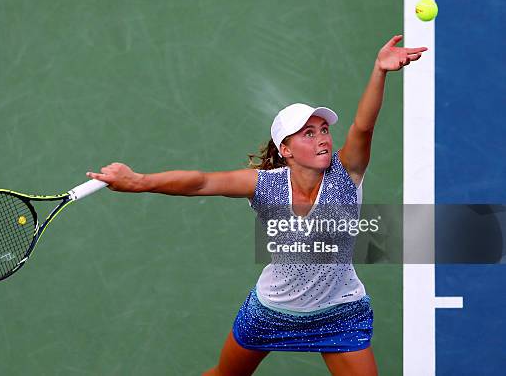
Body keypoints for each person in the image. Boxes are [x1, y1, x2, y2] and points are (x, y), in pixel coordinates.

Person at [86, 35, 427, 376]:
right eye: (307, 133)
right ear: (286, 150)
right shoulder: (264, 185)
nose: (322, 136)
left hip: (338, 310)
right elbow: (202, 181)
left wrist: (379, 70)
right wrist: (139, 181)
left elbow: (363, 126)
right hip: (273, 308)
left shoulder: (346, 172)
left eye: (323, 129)